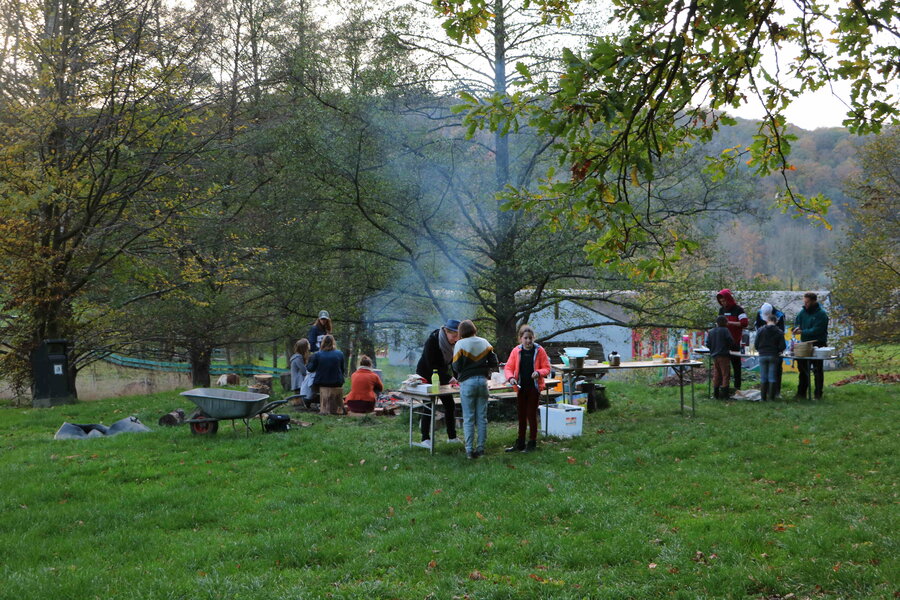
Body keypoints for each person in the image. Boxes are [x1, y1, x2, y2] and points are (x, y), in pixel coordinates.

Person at [451, 319, 499, 459]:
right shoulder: (485, 342)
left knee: (469, 418)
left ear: (461, 332)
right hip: (483, 382)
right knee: (482, 417)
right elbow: (494, 362)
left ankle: (469, 450)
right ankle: (481, 449)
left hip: (467, 382)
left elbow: (456, 366)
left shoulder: (460, 344)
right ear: (474, 329)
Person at [503, 324, 551, 453]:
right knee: (521, 415)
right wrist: (511, 378)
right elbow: (508, 368)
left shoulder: (539, 350)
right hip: (520, 387)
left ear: (533, 338)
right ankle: (520, 442)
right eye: (525, 338)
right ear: (520, 339)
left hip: (534, 388)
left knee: (531, 414)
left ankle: (532, 442)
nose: (528, 341)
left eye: (530, 338)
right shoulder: (516, 351)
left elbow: (547, 368)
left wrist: (539, 372)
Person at [415, 319, 462, 448]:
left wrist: (458, 377)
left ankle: (452, 437)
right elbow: (432, 365)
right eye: (454, 336)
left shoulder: (454, 344)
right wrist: (448, 378)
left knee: (450, 405)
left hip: (440, 375)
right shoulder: (433, 341)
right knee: (429, 405)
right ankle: (425, 439)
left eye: (458, 336)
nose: (456, 339)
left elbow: (454, 363)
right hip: (426, 374)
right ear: (446, 332)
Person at [792, 292, 829, 399]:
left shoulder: (821, 314)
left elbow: (817, 330)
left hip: (818, 343)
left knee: (817, 370)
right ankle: (801, 393)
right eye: (805, 302)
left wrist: (803, 332)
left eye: (807, 302)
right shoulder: (803, 312)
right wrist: (796, 328)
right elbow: (796, 322)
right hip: (804, 345)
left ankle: (818, 394)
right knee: (803, 370)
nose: (806, 304)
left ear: (814, 301)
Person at [716, 289, 749, 390]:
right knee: (723, 367)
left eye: (724, 301)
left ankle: (737, 387)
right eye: (721, 302)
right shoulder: (721, 310)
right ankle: (723, 387)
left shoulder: (738, 310)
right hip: (723, 343)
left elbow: (744, 323)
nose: (723, 303)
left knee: (736, 366)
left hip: (735, 341)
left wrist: (730, 323)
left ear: (728, 299)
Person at [306, 334, 345, 414]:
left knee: (311, 386)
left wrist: (308, 361)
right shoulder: (340, 354)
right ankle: (337, 407)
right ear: (333, 342)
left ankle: (311, 401)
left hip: (321, 382)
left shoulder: (318, 355)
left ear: (322, 343)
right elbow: (342, 369)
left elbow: (310, 369)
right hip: (337, 382)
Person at [755, 302, 786, 398]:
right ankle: (772, 396)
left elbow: (756, 342)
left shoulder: (761, 330)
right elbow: (782, 345)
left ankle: (763, 397)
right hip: (774, 354)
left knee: (763, 376)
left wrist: (759, 349)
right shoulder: (779, 331)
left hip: (762, 354)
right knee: (772, 376)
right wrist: (778, 350)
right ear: (775, 321)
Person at [706, 315, 738, 399]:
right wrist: (730, 348)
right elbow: (730, 341)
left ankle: (716, 394)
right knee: (725, 374)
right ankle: (725, 395)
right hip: (724, 355)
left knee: (717, 374)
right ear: (725, 323)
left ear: (716, 323)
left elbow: (707, 343)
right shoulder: (725, 330)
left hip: (714, 355)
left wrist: (713, 349)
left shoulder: (711, 331)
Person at [289, 339, 310, 405]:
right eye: (308, 344)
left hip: (297, 381)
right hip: (298, 382)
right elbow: (303, 371)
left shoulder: (298, 356)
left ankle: (299, 404)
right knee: (299, 397)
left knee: (299, 397)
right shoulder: (298, 358)